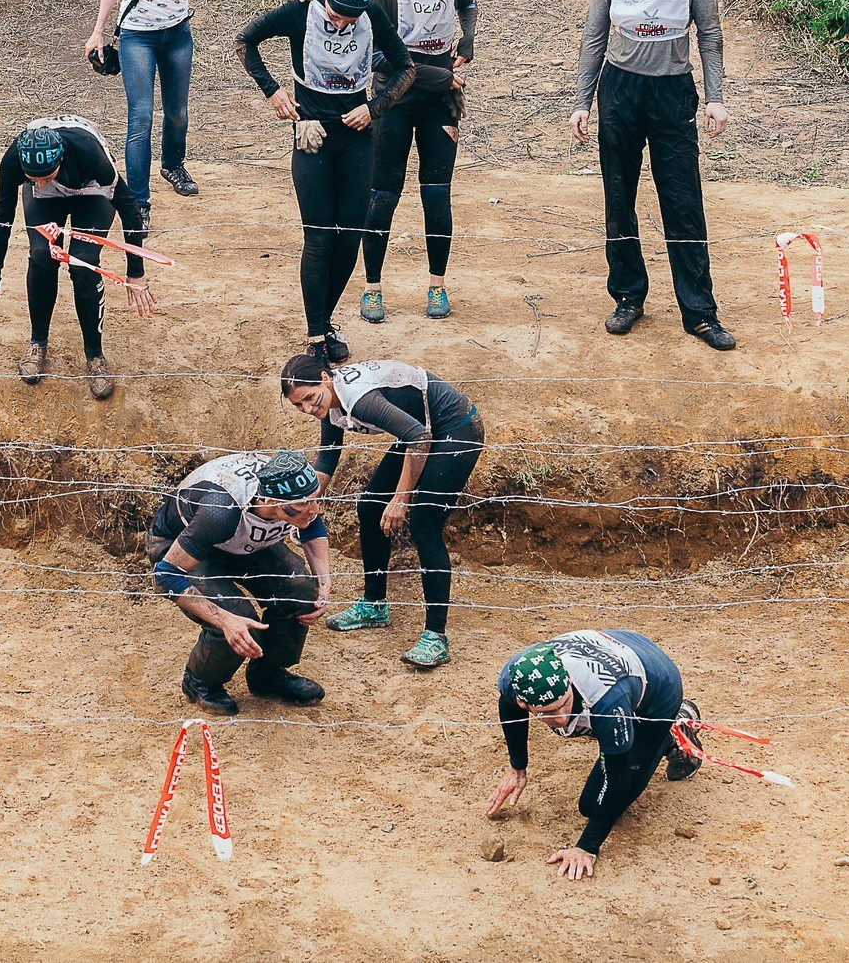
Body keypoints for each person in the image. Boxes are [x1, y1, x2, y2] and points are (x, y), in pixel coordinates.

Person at [573, 0, 735, 350]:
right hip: (620, 90)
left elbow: (710, 32)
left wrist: (715, 97)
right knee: (618, 196)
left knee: (683, 201)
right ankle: (628, 295)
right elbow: (593, 36)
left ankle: (700, 312)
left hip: (671, 90)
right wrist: (582, 102)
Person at [241, 0, 415, 365]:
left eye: (350, 20)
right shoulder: (300, 12)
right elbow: (245, 41)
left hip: (356, 137)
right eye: (336, 16)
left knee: (350, 237)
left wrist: (374, 108)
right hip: (312, 135)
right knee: (319, 238)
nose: (340, 25)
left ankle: (325, 320)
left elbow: (406, 68)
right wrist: (273, 92)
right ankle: (316, 335)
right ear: (326, 0)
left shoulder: (371, 15)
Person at [279, 355, 482, 670]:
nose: (307, 408)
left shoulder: (359, 399)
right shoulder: (328, 401)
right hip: (421, 432)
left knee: (424, 524)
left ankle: (436, 636)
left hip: (456, 427)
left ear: (325, 378)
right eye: (298, 405)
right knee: (370, 507)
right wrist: (304, 502)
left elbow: (419, 439)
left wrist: (400, 499)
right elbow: (327, 459)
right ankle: (374, 605)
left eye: (309, 398)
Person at [484, 629, 704, 881]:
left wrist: (587, 846)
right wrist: (518, 767)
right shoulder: (515, 677)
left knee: (594, 806)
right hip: (620, 649)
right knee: (602, 777)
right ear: (524, 703)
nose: (560, 719)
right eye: (547, 713)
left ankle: (672, 731)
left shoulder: (608, 702)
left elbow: (617, 774)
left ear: (569, 682)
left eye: (563, 704)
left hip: (659, 686)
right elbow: (508, 705)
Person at [0, 117, 156, 400]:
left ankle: (95, 357)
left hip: (90, 191)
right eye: (33, 178)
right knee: (42, 255)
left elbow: (129, 208)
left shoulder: (90, 154)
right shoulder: (15, 159)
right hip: (47, 200)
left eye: (46, 175)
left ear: (61, 159)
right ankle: (37, 343)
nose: (40, 182)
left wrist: (135, 272)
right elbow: (2, 217)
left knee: (83, 262)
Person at [359, 0, 478, 324]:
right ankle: (372, 288)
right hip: (394, 100)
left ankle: (437, 285)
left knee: (436, 194)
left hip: (440, 102)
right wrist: (439, 76)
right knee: (382, 196)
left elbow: (469, 4)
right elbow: (378, 57)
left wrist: (468, 40)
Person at [146, 448, 331, 714]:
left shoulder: (292, 491)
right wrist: (225, 620)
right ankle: (200, 682)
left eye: (315, 499)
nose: (315, 509)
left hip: (240, 539)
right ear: (269, 501)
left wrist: (323, 580)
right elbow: (166, 575)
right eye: (304, 504)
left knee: (300, 591)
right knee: (237, 615)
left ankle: (268, 672)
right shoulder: (221, 511)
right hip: (183, 546)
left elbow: (311, 524)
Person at [84, 0, 212, 228]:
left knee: (177, 112)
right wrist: (98, 30)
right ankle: (137, 203)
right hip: (136, 35)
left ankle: (173, 164)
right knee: (140, 117)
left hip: (177, 34)